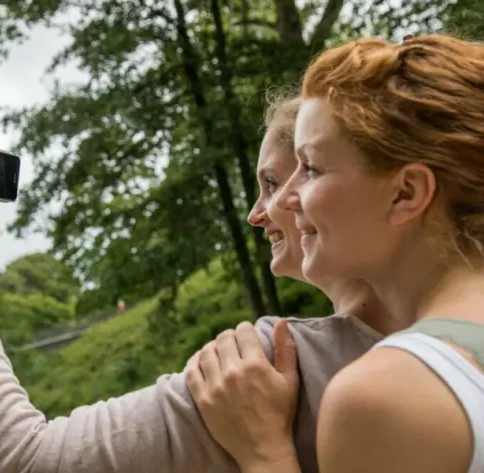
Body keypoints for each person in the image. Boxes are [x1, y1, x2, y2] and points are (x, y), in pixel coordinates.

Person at [0, 95, 391, 473]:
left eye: (273, 182)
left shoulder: (266, 365)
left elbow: (21, 461)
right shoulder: (442, 343)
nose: (256, 213)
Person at [186, 34, 484, 473]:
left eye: (310, 168)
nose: (288, 199)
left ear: (406, 192)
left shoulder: (384, 397)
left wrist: (264, 454)